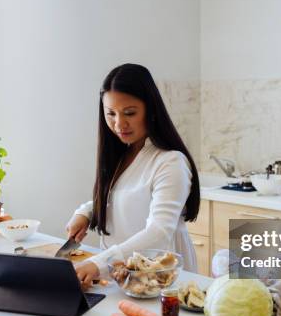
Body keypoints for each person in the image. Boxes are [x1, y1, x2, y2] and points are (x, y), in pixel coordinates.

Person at [66, 63, 201, 289]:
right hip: (121, 274)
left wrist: (98, 263)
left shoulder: (171, 161)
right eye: (110, 113)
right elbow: (125, 198)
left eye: (129, 113)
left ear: (151, 109)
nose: (119, 124)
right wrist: (87, 212)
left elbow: (158, 232)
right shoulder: (122, 153)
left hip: (161, 278)